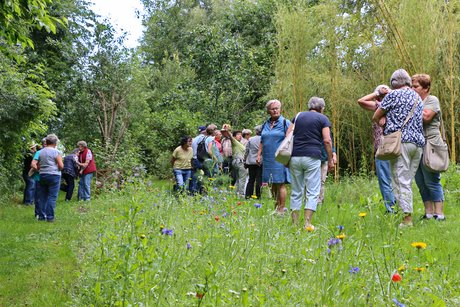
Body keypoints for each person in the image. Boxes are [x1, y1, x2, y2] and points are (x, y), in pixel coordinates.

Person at [372, 69, 424, 227]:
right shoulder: (418, 97)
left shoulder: (392, 95)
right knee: (407, 180)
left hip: (400, 143)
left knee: (400, 181)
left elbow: (376, 115)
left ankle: (407, 220)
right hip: (418, 144)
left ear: (394, 83)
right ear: (408, 82)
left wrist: (382, 120)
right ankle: (406, 214)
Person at [286, 97, 334, 228]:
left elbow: (288, 135)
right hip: (312, 157)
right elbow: (327, 140)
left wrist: (286, 157)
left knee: (296, 191)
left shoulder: (298, 116)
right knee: (312, 191)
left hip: (295, 157)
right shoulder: (323, 119)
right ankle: (307, 223)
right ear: (322, 108)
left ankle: (294, 224)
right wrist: (330, 159)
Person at [358, 85, 397, 212]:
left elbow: (361, 101)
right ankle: (399, 207)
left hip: (383, 148)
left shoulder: (381, 106)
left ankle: (391, 209)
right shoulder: (387, 106)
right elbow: (361, 101)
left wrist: (376, 92)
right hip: (396, 146)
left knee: (386, 180)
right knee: (395, 179)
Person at [412, 74, 446, 221]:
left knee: (431, 179)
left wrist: (410, 110)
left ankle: (440, 214)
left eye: (416, 86)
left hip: (431, 143)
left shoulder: (432, 100)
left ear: (425, 88)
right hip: (417, 143)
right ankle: (428, 213)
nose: (412, 89)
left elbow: (426, 117)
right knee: (420, 180)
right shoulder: (414, 101)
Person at [257, 99, 291, 214]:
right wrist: (258, 155)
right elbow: (262, 140)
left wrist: (288, 158)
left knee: (280, 182)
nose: (275, 110)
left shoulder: (286, 123)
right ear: (268, 111)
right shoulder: (265, 124)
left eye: (277, 108)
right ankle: (276, 207)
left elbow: (289, 140)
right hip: (267, 158)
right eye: (273, 108)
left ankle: (282, 209)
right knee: (272, 183)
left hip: (280, 157)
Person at [31, 134, 63, 222]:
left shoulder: (40, 152)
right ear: (55, 143)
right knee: (52, 197)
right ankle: (50, 217)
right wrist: (58, 168)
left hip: (42, 175)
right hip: (54, 175)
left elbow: (33, 163)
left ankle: (41, 217)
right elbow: (61, 165)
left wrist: (38, 170)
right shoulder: (56, 152)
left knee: (42, 196)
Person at [222, 128, 246, 197]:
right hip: (239, 162)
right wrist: (228, 131)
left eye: (241, 134)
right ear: (234, 136)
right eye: (238, 134)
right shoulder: (234, 142)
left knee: (238, 179)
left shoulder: (240, 144)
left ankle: (234, 193)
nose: (240, 136)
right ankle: (241, 194)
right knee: (242, 179)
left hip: (237, 162)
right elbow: (231, 137)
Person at [318, 131, 337, 206]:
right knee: (311, 182)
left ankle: (319, 202)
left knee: (322, 182)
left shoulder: (324, 123)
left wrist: (334, 154)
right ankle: (310, 203)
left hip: (324, 157)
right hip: (312, 157)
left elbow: (329, 140)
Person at [244, 125, 262, 199]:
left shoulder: (251, 139)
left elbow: (247, 150)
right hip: (260, 161)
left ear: (256, 131)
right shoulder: (263, 139)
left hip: (251, 161)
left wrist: (245, 160)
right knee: (259, 179)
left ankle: (248, 195)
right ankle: (258, 195)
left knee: (251, 179)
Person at [190, 125, 208, 194]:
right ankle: (202, 192)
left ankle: (193, 192)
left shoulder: (194, 139)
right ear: (205, 131)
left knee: (195, 177)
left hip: (194, 160)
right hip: (201, 160)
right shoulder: (205, 138)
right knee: (205, 176)